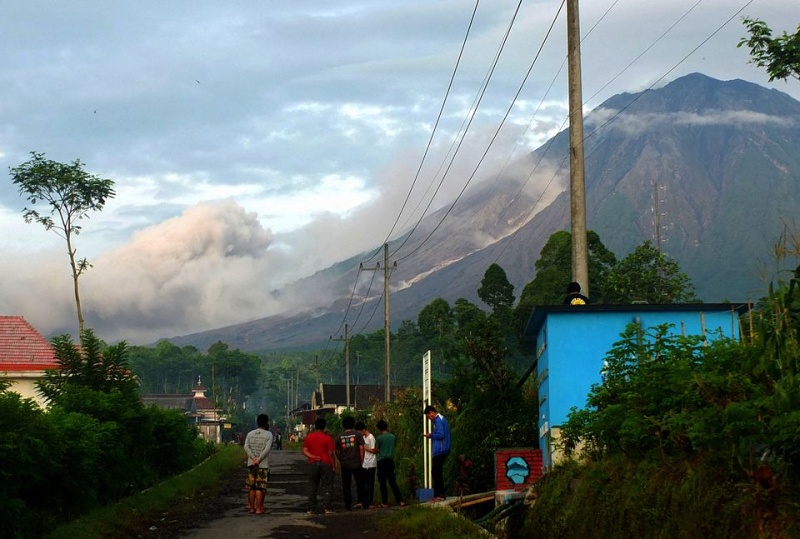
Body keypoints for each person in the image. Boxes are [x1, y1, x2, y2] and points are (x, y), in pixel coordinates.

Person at [302, 417, 335, 515]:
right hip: (326, 463)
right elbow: (330, 453)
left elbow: (305, 450)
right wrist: (333, 465)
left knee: (313, 485)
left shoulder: (309, 437)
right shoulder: (328, 438)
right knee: (328, 486)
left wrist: (313, 457)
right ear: (324, 427)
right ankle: (327, 508)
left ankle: (311, 508)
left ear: (315, 426)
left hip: (313, 463)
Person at [244, 413, 274, 514]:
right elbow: (267, 449)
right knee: (260, 487)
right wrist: (259, 459)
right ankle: (259, 508)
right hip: (263, 465)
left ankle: (251, 508)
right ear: (266, 423)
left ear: (257, 422)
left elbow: (246, 447)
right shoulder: (268, 434)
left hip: (251, 465)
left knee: (252, 487)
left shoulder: (250, 434)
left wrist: (253, 458)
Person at [335, 416, 366, 510]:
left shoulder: (339, 436)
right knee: (360, 483)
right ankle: (361, 502)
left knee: (346, 485)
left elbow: (336, 450)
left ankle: (347, 504)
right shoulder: (357, 434)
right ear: (353, 424)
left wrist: (340, 459)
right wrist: (361, 459)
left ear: (343, 425)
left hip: (345, 464)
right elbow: (361, 447)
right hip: (356, 462)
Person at [374, 419, 405, 508]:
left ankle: (385, 502)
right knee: (392, 482)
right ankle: (400, 500)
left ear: (379, 428)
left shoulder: (379, 438)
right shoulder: (392, 437)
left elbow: (376, 450)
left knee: (382, 483)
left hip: (381, 461)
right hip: (390, 461)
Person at [424, 404, 451, 502]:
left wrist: (431, 435)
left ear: (431, 412)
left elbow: (441, 434)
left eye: (428, 416)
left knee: (436, 472)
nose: (428, 418)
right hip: (443, 449)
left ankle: (439, 494)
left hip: (441, 450)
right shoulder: (441, 418)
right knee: (437, 472)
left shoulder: (438, 420)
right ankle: (440, 494)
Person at [356, 420, 377, 509]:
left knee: (370, 484)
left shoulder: (371, 437)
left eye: (360, 432)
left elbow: (375, 450)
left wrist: (365, 449)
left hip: (371, 463)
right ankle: (364, 501)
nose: (359, 434)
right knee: (363, 484)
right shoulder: (363, 438)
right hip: (364, 463)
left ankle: (370, 502)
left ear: (363, 430)